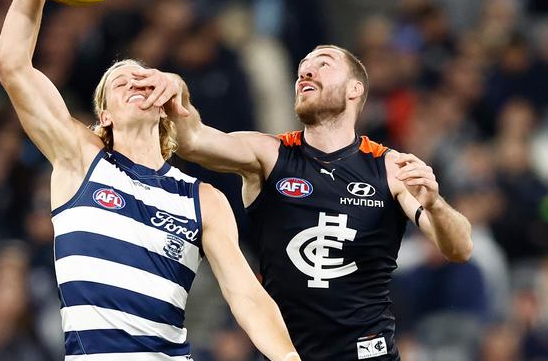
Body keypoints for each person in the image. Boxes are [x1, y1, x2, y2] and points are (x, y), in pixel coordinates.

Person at [0, 0, 301, 361]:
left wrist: (288, 359)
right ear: (104, 116)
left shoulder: (203, 198)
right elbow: (12, 64)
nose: (135, 80)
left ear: (162, 104)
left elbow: (246, 294)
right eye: (120, 81)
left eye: (144, 77)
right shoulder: (80, 159)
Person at [131, 45, 474, 360]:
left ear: (355, 89)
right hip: (287, 355)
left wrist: (436, 205)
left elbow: (459, 248)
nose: (306, 73)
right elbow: (191, 139)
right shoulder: (268, 154)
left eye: (323, 64)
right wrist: (174, 87)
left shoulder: (389, 167)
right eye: (302, 69)